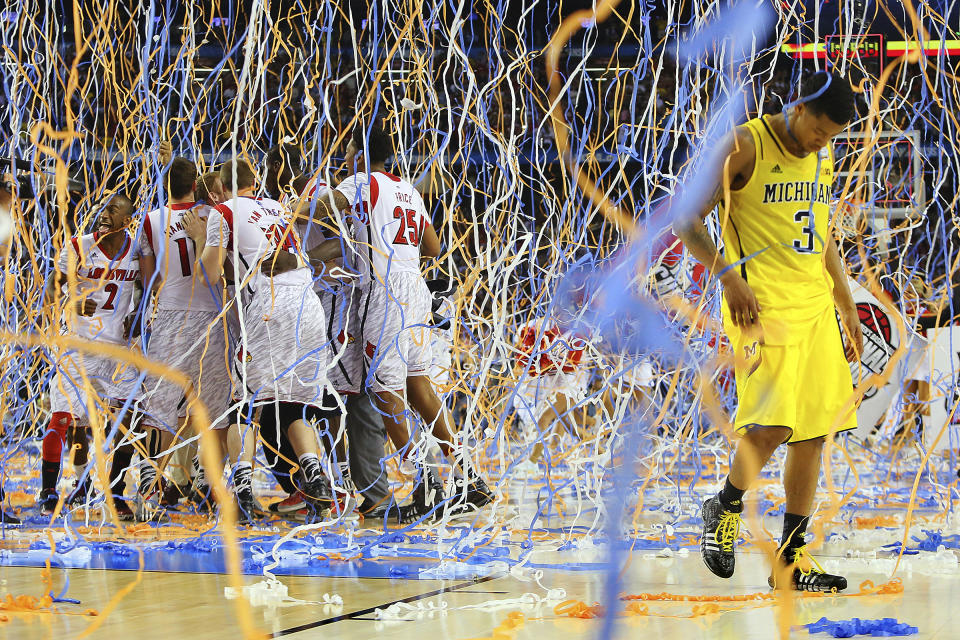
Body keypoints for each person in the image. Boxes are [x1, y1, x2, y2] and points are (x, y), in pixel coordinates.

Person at [675, 71, 861, 592]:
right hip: (762, 307)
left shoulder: (821, 155)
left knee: (813, 434)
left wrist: (846, 307)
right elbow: (686, 221)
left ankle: (792, 561)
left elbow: (821, 234)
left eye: (832, 137)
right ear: (798, 107)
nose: (824, 143)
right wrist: (728, 277)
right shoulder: (744, 144)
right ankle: (724, 506)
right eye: (820, 130)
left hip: (815, 306)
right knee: (774, 425)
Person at [271, 124, 493, 522]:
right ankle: (468, 474)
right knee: (418, 383)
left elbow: (321, 208)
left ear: (360, 152)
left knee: (382, 389)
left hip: (385, 289)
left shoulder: (360, 181)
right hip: (415, 285)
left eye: (351, 149)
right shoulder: (406, 188)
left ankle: (425, 481)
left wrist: (292, 210)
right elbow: (434, 246)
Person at [183, 158, 336, 520]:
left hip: (271, 307)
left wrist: (200, 238)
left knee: (244, 406)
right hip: (309, 307)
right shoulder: (277, 208)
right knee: (293, 405)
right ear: (255, 182)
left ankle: (244, 491)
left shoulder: (224, 211)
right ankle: (314, 476)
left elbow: (207, 274)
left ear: (222, 185)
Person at [137, 155, 232, 520]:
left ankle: (149, 489)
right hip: (211, 316)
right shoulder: (214, 216)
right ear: (196, 183)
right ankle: (212, 488)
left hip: (170, 317)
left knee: (159, 407)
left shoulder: (150, 220)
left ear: (165, 185)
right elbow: (224, 268)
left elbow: (149, 281)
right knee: (213, 408)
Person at [41, 193, 143, 520]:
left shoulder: (138, 251)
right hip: (79, 343)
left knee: (126, 422)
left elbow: (150, 286)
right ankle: (51, 490)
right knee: (68, 419)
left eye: (114, 210)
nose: (105, 214)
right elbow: (49, 293)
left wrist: (139, 314)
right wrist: (70, 304)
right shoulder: (78, 246)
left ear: (127, 220)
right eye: (104, 208)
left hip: (118, 349)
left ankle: (115, 492)